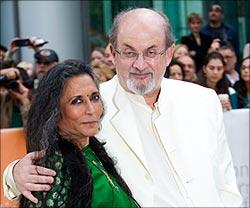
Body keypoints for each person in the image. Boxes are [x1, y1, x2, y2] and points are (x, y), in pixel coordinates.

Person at [3, 8, 242, 207]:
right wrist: (14, 174)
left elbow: (226, 187)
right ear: (112, 52)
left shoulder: (203, 101)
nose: (139, 64)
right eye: (128, 52)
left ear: (169, 53)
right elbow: (50, 157)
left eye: (151, 52)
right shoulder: (90, 107)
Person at [17, 59, 139, 207]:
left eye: (94, 97)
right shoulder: (53, 170)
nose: (91, 110)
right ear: (54, 111)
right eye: (77, 101)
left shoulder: (93, 148)